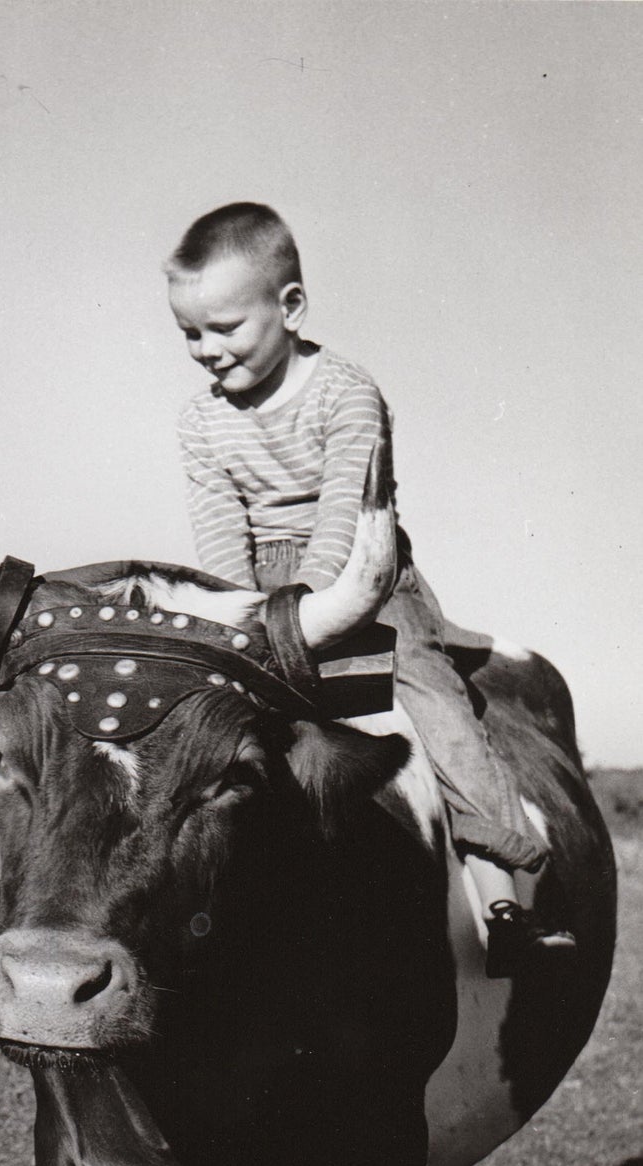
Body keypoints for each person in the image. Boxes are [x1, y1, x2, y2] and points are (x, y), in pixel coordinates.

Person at [165, 202, 573, 977]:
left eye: (224, 328)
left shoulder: (345, 393)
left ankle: (503, 897)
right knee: (192, 718)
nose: (206, 351)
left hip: (366, 581)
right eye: (189, 333)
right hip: (256, 596)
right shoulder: (199, 422)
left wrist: (306, 611)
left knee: (435, 707)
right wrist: (240, 618)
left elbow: (344, 522)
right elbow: (220, 536)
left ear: (289, 308)